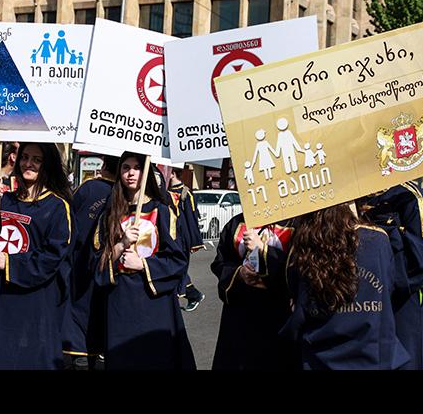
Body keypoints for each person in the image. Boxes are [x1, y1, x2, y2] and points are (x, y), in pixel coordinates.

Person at [0, 142, 74, 369]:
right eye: (25, 157)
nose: (28, 163)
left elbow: (53, 256)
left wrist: (10, 263)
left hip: (33, 297)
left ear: (47, 164)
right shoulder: (5, 199)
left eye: (36, 159)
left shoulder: (57, 206)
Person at [91, 152, 195, 370]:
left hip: (153, 303)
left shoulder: (162, 210)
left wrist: (143, 265)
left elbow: (177, 259)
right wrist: (120, 245)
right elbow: (95, 262)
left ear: (146, 172)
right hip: (119, 302)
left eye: (137, 168)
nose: (131, 173)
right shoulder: (109, 214)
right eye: (125, 167)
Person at [280, 203, 410, 370]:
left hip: (322, 356)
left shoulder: (305, 243)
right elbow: (391, 287)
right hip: (374, 355)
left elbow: (298, 304)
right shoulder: (378, 239)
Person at [358, 181, 423, 369]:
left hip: (407, 310)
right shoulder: (355, 195)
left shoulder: (409, 196)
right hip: (371, 315)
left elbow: (421, 262)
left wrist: (384, 235)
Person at [210, 212, 299, 370]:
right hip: (240, 314)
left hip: (278, 315)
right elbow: (220, 262)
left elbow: (299, 269)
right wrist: (239, 273)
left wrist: (263, 250)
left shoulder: (297, 224)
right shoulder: (236, 223)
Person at [62, 154, 118, 369]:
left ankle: (80, 353)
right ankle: (93, 352)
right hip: (107, 263)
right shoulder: (123, 193)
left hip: (80, 259)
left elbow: (69, 217)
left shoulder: (88, 188)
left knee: (79, 306)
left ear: (104, 166)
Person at [164, 166, 206, 312]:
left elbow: (191, 218)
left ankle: (189, 296)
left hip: (182, 239)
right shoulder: (165, 192)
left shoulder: (185, 193)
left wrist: (194, 242)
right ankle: (193, 295)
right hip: (170, 237)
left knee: (177, 268)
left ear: (172, 174)